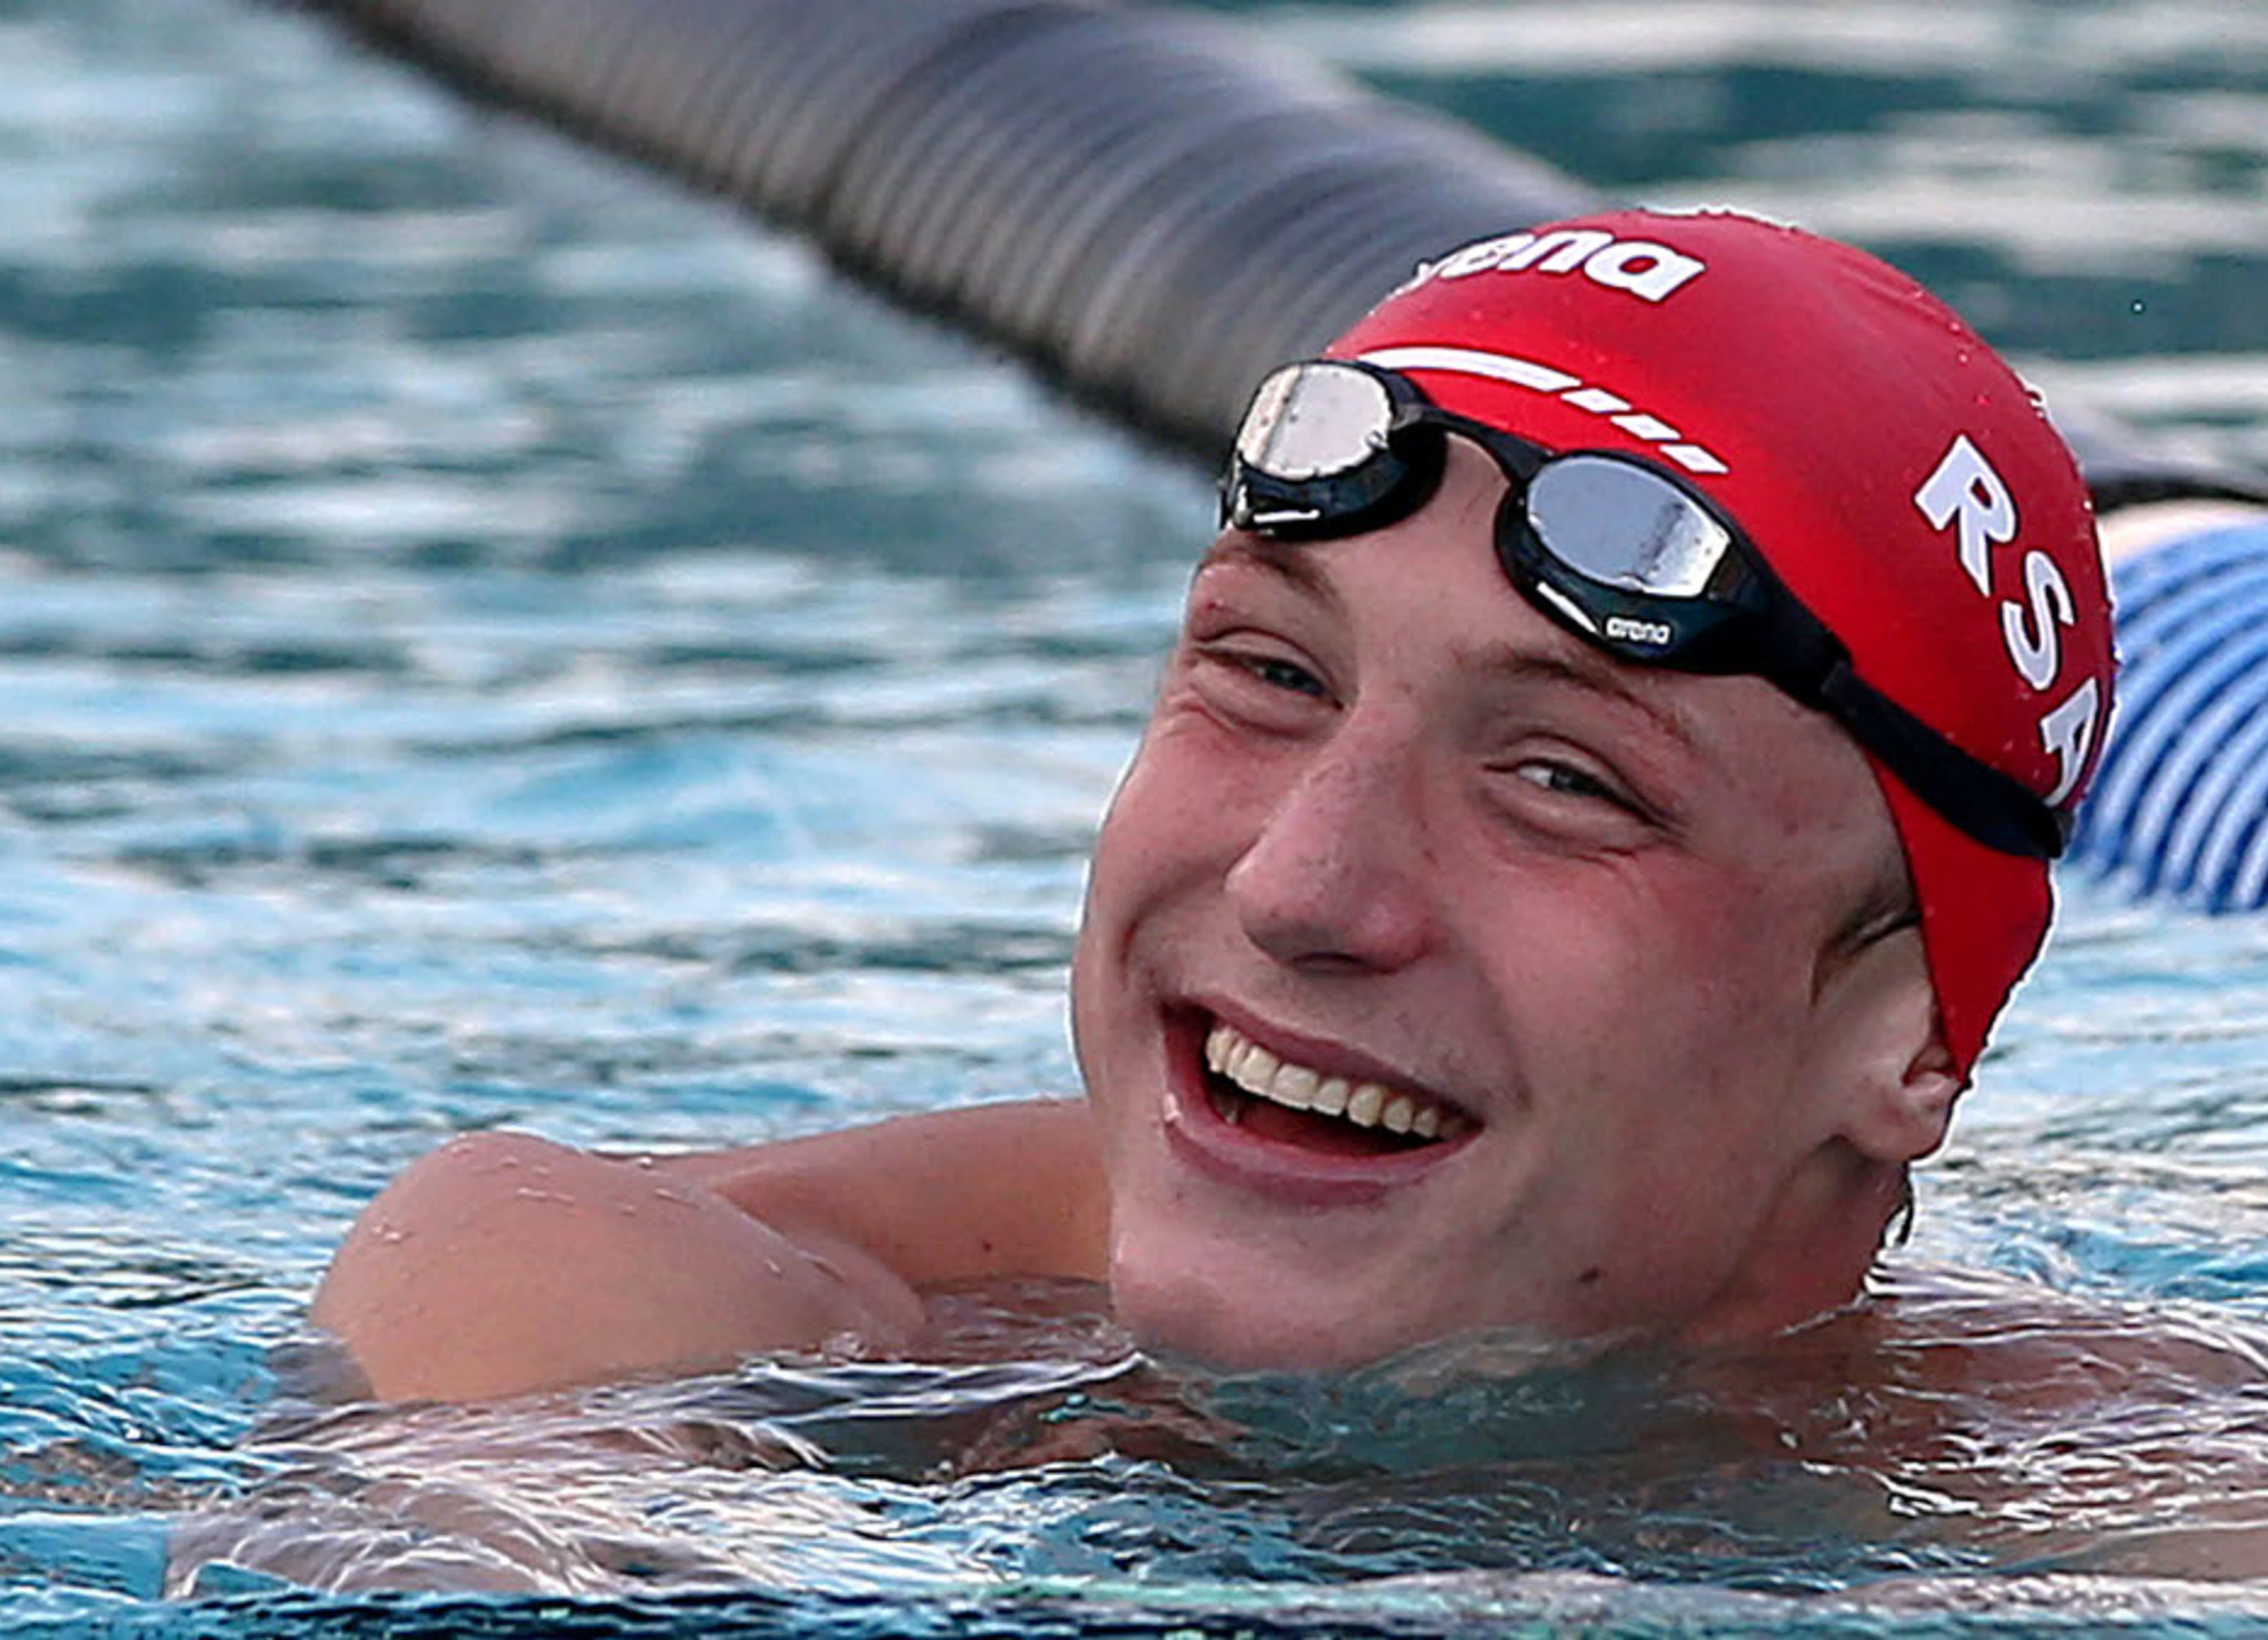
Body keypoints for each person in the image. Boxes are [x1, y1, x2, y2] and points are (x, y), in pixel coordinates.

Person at [309, 207, 2117, 1405]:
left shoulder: (2211, 1528)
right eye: (1270, 676)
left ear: (1909, 1037)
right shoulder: (614, 1325)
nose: (1300, 884)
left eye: (1564, 781)